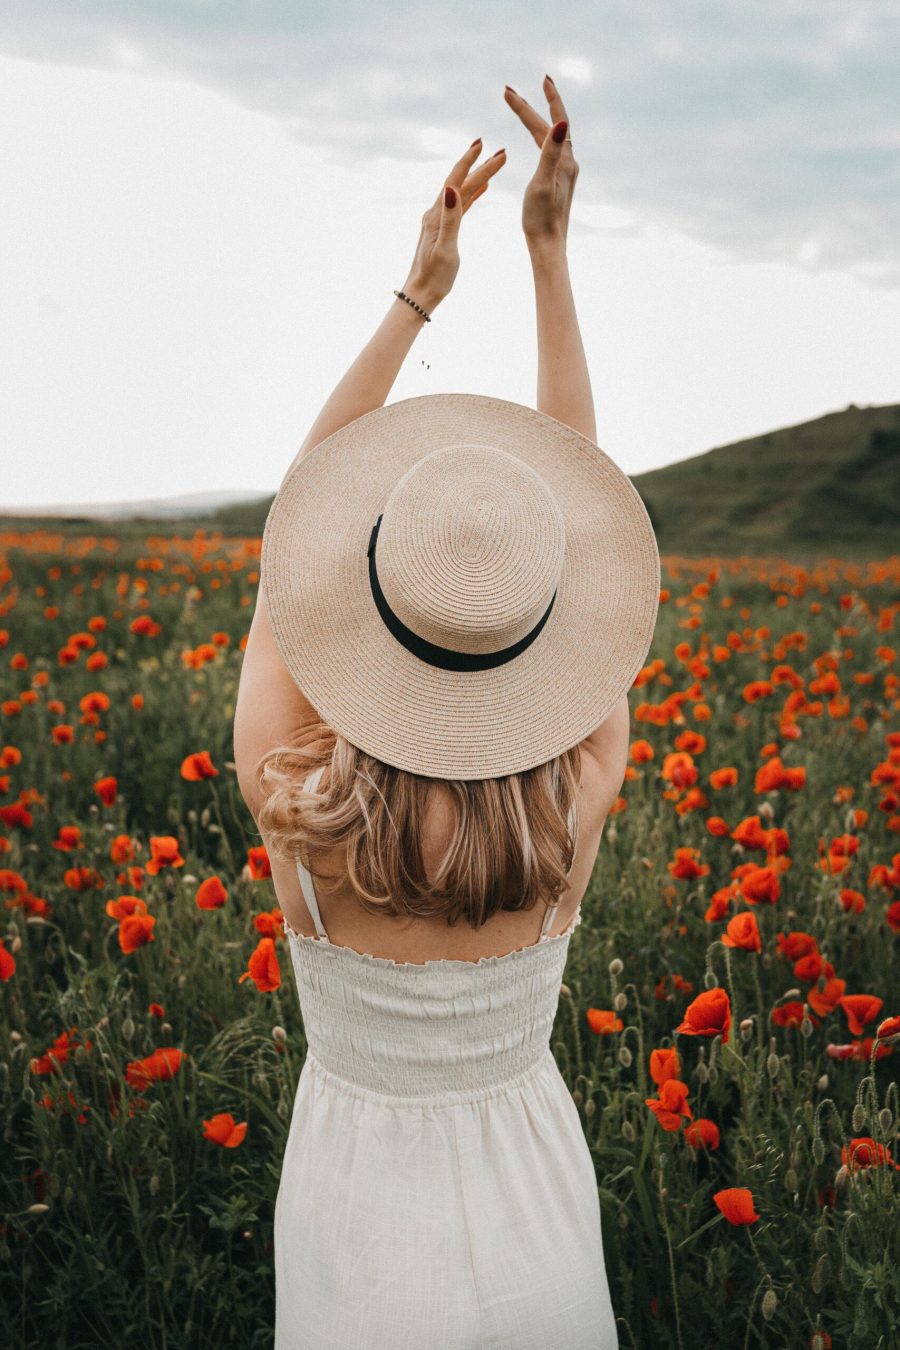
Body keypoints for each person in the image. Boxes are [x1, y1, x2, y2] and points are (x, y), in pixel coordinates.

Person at [234, 74, 659, 1350]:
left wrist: (419, 293)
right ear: (544, 628)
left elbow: (286, 537)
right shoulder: (576, 803)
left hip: (354, 1232)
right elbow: (580, 513)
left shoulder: (294, 801)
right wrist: (551, 254)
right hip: (535, 1213)